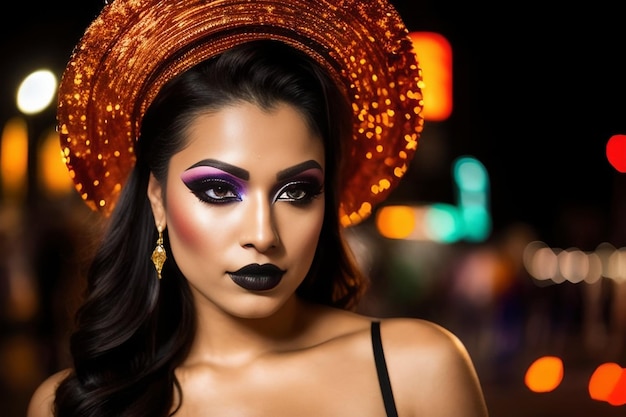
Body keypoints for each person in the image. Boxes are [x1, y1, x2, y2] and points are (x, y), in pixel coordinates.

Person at [27, 0, 489, 416]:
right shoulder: (70, 405)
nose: (264, 234)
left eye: (295, 192)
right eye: (219, 191)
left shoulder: (419, 369)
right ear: (157, 200)